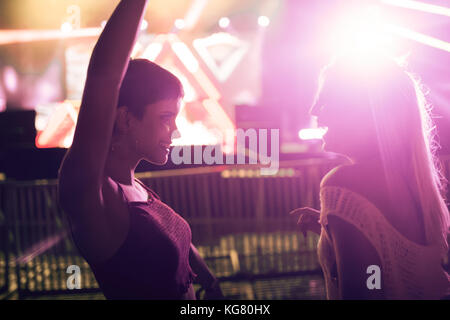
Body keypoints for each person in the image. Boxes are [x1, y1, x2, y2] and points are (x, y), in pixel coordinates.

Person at [57, 0, 222, 300]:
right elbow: (104, 77)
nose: (176, 131)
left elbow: (168, 238)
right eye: (165, 118)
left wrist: (209, 281)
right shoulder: (93, 194)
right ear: (124, 118)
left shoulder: (134, 186)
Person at [291, 53, 450, 299]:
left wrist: (344, 208)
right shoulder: (412, 180)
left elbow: (368, 288)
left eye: (326, 101)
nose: (314, 111)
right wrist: (341, 229)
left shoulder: (343, 185)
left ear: (364, 112)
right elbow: (384, 266)